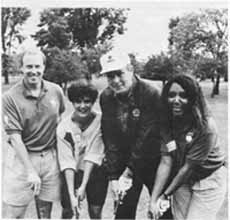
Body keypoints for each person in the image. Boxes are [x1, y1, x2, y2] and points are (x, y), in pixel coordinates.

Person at [99, 52, 172, 219]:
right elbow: (110, 137)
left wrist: (128, 173)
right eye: (111, 76)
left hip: (153, 161)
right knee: (123, 213)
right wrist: (113, 176)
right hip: (124, 161)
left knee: (162, 212)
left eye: (120, 73)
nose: (116, 80)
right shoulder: (106, 97)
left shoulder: (150, 93)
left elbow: (146, 137)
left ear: (130, 69)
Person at [148, 74, 227, 220]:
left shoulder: (206, 126)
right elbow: (166, 161)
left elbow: (189, 167)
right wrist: (153, 200)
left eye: (183, 96)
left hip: (208, 179)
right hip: (182, 180)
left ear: (192, 98)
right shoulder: (167, 121)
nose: (176, 100)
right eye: (171, 95)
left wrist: (165, 196)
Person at [2, 49, 65, 218]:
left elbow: (60, 121)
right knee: (14, 213)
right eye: (28, 66)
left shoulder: (56, 91)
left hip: (50, 157)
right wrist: (30, 171)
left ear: (44, 67)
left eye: (37, 66)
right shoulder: (9, 97)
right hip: (21, 160)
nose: (33, 71)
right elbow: (15, 138)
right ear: (21, 68)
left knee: (45, 213)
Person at [57, 80, 108, 219]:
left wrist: (83, 186)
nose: (83, 106)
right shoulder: (63, 127)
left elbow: (94, 154)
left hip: (96, 171)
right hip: (72, 173)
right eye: (78, 102)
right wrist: (72, 194)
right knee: (69, 210)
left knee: (96, 212)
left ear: (93, 102)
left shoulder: (102, 121)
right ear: (72, 102)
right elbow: (66, 162)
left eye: (87, 101)